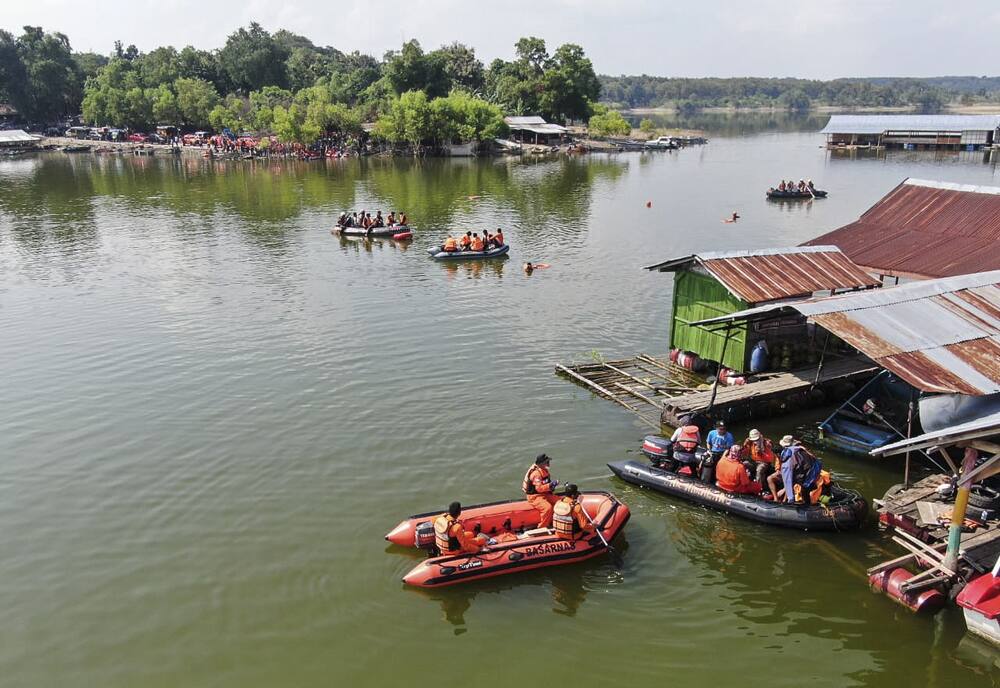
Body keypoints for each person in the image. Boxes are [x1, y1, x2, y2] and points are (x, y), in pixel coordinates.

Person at [777, 435, 827, 504]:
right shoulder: (801, 449)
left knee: (802, 491)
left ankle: (803, 503)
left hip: (806, 478)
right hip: (814, 473)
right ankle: (807, 502)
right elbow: (817, 462)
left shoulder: (787, 461)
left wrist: (790, 498)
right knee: (806, 491)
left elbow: (787, 480)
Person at [522, 454, 559, 528]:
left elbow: (545, 485)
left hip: (544, 494)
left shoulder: (544, 470)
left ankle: (555, 520)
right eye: (547, 462)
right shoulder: (536, 474)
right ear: (541, 464)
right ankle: (542, 527)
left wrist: (552, 486)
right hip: (534, 497)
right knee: (547, 508)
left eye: (548, 461)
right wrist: (550, 485)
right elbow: (539, 489)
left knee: (559, 501)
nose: (548, 463)